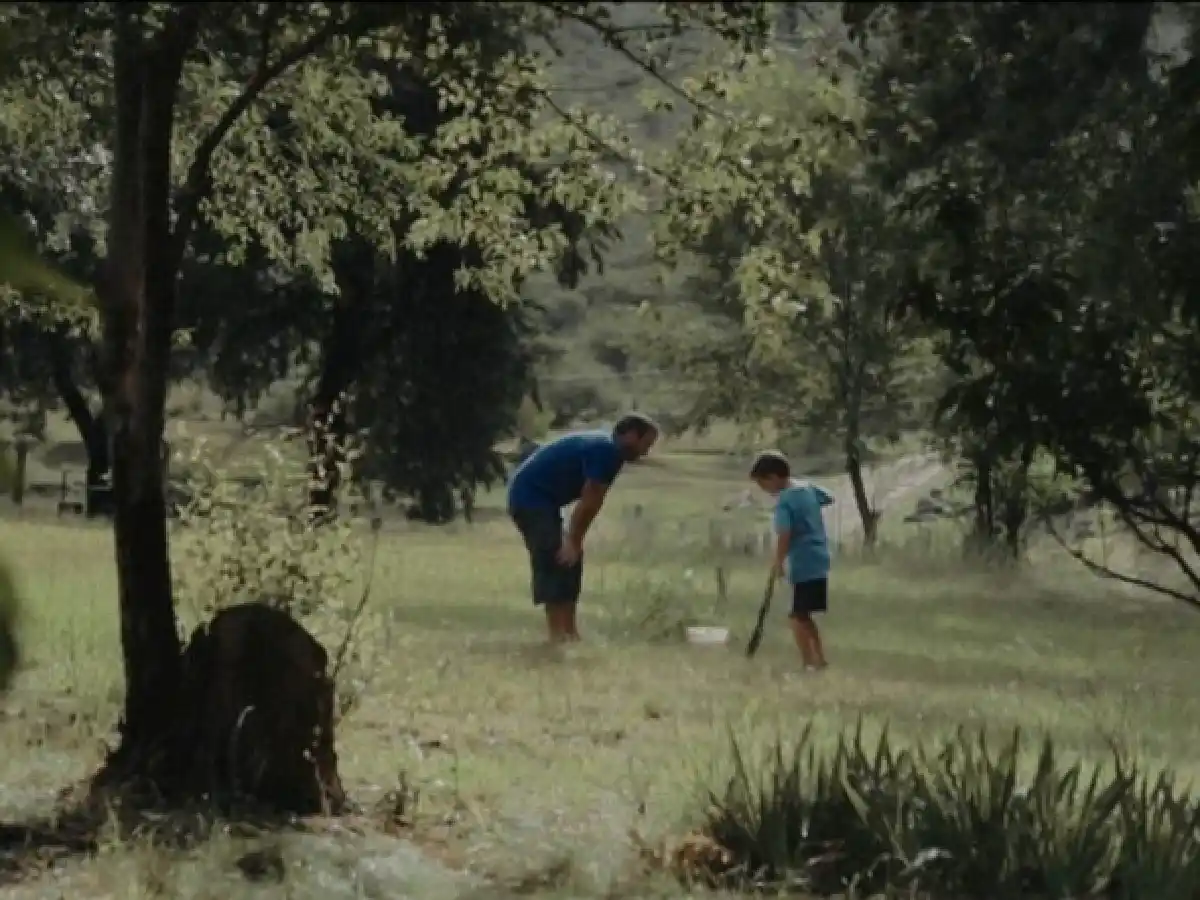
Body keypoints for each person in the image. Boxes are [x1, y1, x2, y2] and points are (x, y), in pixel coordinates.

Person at [507, 413, 660, 642]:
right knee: (555, 557)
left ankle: (570, 633)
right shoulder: (606, 450)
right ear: (629, 435)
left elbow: (591, 501)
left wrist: (574, 543)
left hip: (546, 501)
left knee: (570, 561)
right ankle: (557, 634)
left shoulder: (610, 451)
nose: (645, 452)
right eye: (645, 444)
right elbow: (590, 500)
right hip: (530, 498)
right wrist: (573, 540)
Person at [749, 450, 835, 670]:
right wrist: (807, 511)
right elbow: (828, 497)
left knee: (797, 617)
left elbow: (785, 534)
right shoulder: (806, 488)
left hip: (803, 559)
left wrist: (778, 562)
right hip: (819, 556)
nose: (764, 489)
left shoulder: (784, 502)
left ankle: (808, 663)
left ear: (774, 477)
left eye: (762, 483)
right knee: (803, 614)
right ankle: (820, 660)